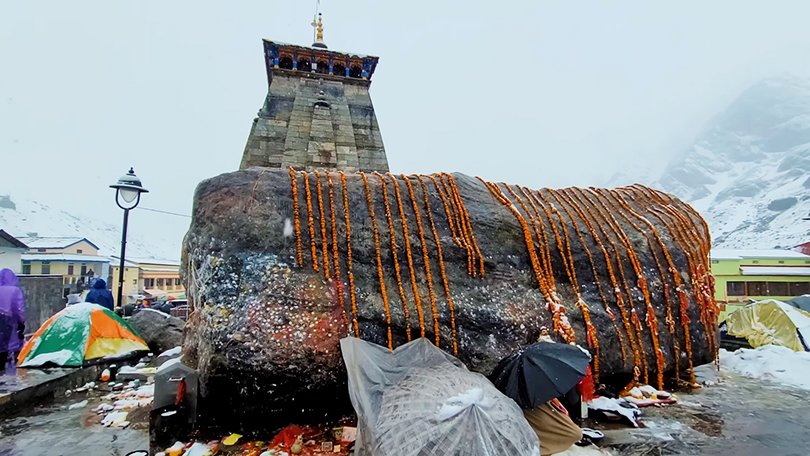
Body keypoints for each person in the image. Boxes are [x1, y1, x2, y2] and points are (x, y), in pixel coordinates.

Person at [0, 268, 25, 370]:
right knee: (5, 345)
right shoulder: (15, 290)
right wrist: (21, 321)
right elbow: (19, 308)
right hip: (7, 319)